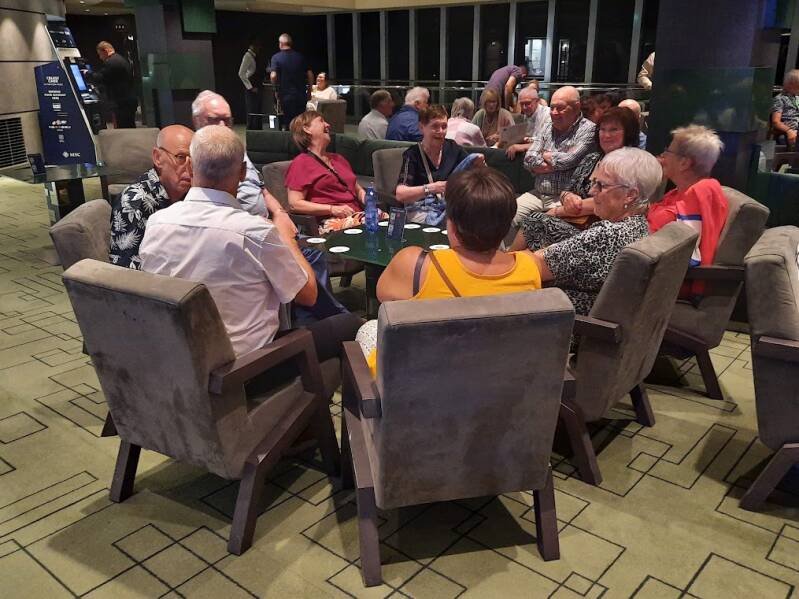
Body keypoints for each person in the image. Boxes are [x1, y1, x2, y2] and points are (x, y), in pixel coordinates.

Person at [139, 125, 361, 361]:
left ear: (191, 166)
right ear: (243, 172)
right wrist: (286, 237)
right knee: (349, 325)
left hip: (176, 361)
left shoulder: (156, 223)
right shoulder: (255, 232)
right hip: (245, 368)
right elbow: (308, 294)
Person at [356, 167, 542, 376]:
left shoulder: (414, 264)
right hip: (498, 380)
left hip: (421, 384)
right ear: (508, 226)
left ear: (450, 224)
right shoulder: (530, 266)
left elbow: (383, 295)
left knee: (369, 328)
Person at [510, 147, 661, 315]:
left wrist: (496, 261)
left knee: (508, 273)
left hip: (563, 317)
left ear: (630, 195)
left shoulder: (605, 236)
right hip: (587, 299)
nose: (591, 191)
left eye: (601, 185)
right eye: (594, 182)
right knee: (537, 221)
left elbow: (531, 267)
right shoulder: (639, 224)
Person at [649, 125, 728, 297]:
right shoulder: (678, 193)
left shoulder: (700, 196)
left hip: (661, 282)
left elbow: (685, 257)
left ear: (684, 163)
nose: (662, 156)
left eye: (668, 151)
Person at [191, 90, 288, 221]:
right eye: (214, 119)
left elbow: (260, 187)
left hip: (264, 222)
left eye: (227, 120)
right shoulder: (196, 157)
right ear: (196, 121)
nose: (222, 126)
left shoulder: (235, 147)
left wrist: (279, 212)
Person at [109, 125, 193, 269]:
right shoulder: (135, 203)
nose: (189, 167)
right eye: (180, 157)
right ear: (158, 158)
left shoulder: (195, 192)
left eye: (194, 159)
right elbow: (127, 271)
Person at [512, 86, 596, 227]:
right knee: (507, 214)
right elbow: (529, 159)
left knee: (545, 228)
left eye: (560, 108)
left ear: (576, 107)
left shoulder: (589, 129)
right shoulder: (547, 127)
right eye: (552, 108)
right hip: (538, 194)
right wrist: (557, 161)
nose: (554, 113)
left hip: (565, 198)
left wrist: (543, 154)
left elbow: (569, 160)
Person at [543, 106, 641, 222]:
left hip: (604, 223)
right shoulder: (591, 158)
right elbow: (567, 189)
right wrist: (568, 197)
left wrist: (557, 211)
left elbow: (608, 202)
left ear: (628, 133)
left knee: (536, 221)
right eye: (602, 129)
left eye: (613, 130)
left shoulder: (631, 163)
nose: (606, 135)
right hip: (574, 218)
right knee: (534, 221)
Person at [396, 105, 485, 224]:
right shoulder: (412, 155)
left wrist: (479, 164)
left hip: (448, 205)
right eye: (435, 126)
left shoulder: (453, 148)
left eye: (444, 126)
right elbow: (400, 194)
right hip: (421, 209)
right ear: (421, 127)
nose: (441, 131)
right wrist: (432, 188)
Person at [285, 111, 367, 232]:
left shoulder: (339, 159)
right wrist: (332, 209)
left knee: (388, 220)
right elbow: (294, 204)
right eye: (321, 121)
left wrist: (368, 199)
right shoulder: (301, 163)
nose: (328, 124)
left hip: (357, 215)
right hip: (330, 220)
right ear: (307, 129)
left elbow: (357, 189)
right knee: (372, 223)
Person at [85, 41, 137, 128]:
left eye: (100, 54)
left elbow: (101, 77)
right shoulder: (119, 59)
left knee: (123, 128)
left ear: (105, 51)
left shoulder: (111, 62)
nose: (100, 57)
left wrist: (87, 74)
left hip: (122, 103)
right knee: (129, 126)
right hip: (128, 100)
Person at [269, 33, 314, 129]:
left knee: (289, 124)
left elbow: (273, 76)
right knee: (300, 123)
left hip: (286, 96)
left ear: (281, 44)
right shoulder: (300, 57)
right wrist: (309, 91)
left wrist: (275, 90)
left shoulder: (276, 57)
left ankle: (290, 137)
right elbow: (310, 74)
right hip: (301, 96)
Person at [505, 86, 551, 159]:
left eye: (527, 103)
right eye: (521, 104)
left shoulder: (548, 114)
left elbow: (546, 143)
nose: (524, 107)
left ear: (537, 101)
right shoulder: (523, 117)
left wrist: (523, 146)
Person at [771, 69, 799, 148]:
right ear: (790, 84)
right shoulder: (780, 99)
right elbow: (776, 122)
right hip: (789, 132)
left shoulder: (796, 97)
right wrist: (789, 131)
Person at [238, 37, 262, 129]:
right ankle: (250, 129)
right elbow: (241, 73)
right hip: (251, 87)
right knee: (251, 110)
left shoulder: (253, 56)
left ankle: (255, 129)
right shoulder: (247, 56)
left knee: (255, 110)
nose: (259, 49)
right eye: (257, 46)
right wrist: (250, 87)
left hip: (255, 85)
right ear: (252, 46)